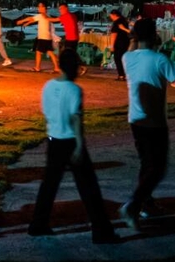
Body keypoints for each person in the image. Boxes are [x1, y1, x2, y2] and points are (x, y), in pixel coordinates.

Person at [118, 17, 175, 230]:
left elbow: (133, 47)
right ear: (154, 35)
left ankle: (145, 203)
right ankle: (133, 204)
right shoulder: (160, 60)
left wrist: (135, 34)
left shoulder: (127, 58)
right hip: (155, 122)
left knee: (146, 164)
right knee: (157, 168)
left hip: (135, 119)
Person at [27, 49, 120, 243]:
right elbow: (77, 118)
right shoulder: (74, 90)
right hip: (70, 141)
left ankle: (38, 224)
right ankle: (102, 232)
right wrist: (79, 145)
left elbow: (46, 111)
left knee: (49, 185)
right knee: (89, 187)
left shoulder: (48, 86)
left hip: (53, 139)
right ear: (74, 67)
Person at [16, 2, 59, 72]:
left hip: (43, 37)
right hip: (47, 37)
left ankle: (37, 67)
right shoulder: (46, 15)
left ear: (44, 8)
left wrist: (21, 21)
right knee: (50, 52)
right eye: (38, 6)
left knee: (38, 52)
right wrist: (27, 23)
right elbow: (33, 20)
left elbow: (31, 18)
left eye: (40, 6)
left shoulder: (42, 15)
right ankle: (56, 68)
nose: (38, 8)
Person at [109, 9, 131, 81]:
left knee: (118, 58)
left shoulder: (116, 23)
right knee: (123, 58)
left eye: (111, 15)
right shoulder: (124, 20)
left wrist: (112, 45)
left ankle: (121, 75)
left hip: (119, 43)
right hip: (126, 41)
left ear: (114, 15)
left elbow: (114, 34)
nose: (110, 17)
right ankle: (124, 74)